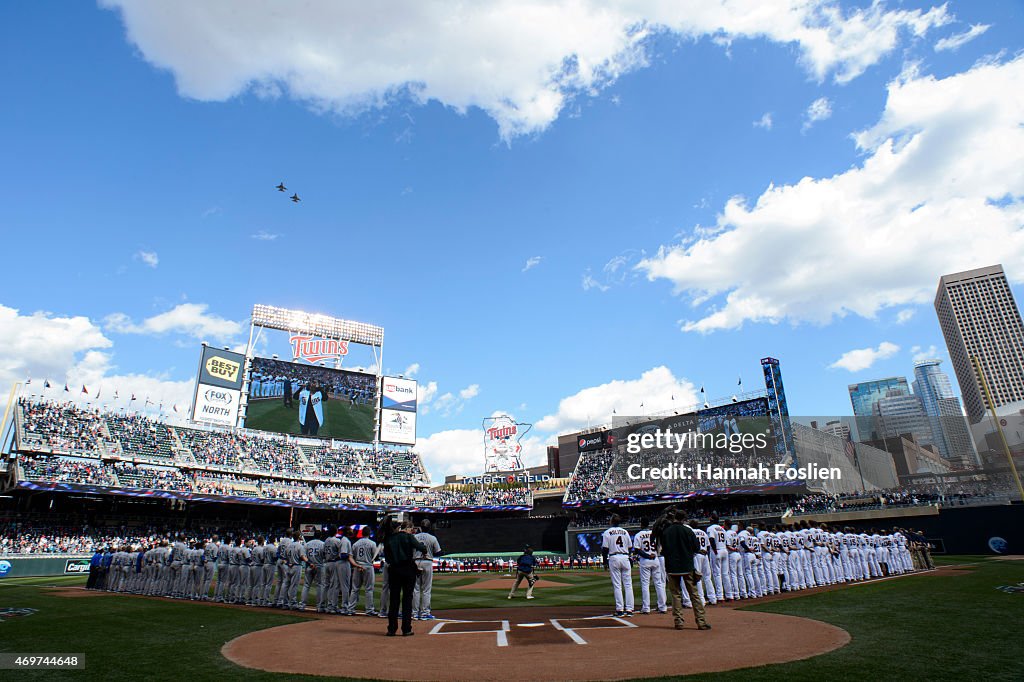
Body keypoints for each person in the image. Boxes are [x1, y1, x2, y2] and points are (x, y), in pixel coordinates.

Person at [654, 508, 710, 631]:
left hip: (671, 566)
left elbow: (663, 549)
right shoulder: (688, 530)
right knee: (694, 595)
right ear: (684, 519)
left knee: (676, 595)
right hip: (687, 565)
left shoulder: (666, 531)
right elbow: (696, 548)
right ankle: (701, 621)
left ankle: (678, 621)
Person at [381, 517, 427, 637]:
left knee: (394, 600)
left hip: (394, 569)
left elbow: (386, 557)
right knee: (407, 599)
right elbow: (421, 547)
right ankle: (406, 629)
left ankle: (392, 629)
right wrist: (423, 548)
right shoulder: (408, 537)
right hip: (408, 569)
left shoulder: (388, 538)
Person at [601, 514, 634, 617]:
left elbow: (605, 549)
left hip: (614, 557)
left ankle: (620, 610)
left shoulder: (607, 532)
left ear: (611, 521)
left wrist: (605, 562)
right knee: (628, 585)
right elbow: (630, 547)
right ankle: (629, 610)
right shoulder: (625, 532)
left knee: (617, 585)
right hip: (625, 557)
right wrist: (630, 558)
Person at [632, 519, 666, 614]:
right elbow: (659, 546)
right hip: (655, 559)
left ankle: (646, 608)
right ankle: (663, 607)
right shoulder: (654, 533)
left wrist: (647, 555)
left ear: (641, 525)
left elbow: (637, 550)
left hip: (645, 560)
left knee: (645, 584)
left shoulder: (638, 535)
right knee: (659, 583)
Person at [412, 519, 442, 620]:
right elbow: (438, 552)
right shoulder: (432, 538)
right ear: (429, 528)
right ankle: (425, 613)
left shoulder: (414, 537)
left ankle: (414, 613)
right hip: (428, 562)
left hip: (416, 562)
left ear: (420, 527)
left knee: (415, 589)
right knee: (426, 589)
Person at [350, 530, 379, 615]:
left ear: (362, 534)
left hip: (357, 566)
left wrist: (357, 565)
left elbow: (352, 556)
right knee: (369, 589)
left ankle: (350, 609)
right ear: (369, 533)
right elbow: (375, 556)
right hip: (368, 566)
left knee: (355, 589)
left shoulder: (356, 543)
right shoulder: (372, 543)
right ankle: (369, 610)